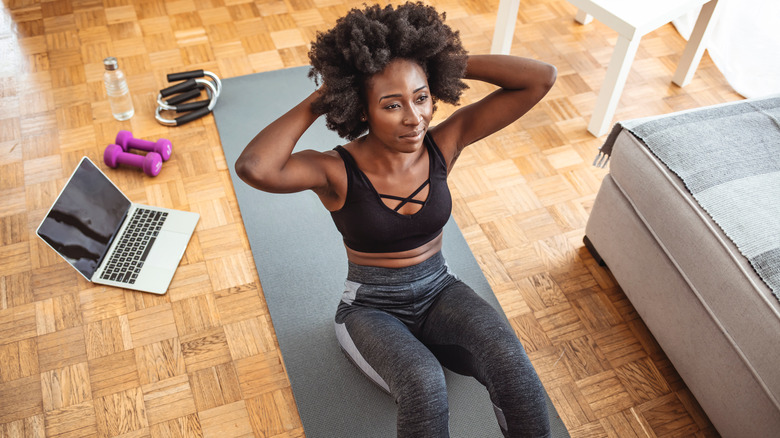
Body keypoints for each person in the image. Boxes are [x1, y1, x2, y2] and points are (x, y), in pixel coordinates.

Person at [235, 2, 557, 437]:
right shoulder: (335, 170)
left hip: (440, 292)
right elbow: (255, 166)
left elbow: (540, 79)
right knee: (426, 384)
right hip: (370, 309)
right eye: (392, 105)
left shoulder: (444, 144)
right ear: (361, 109)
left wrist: (443, 61)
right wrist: (321, 97)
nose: (414, 118)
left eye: (421, 97)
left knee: (509, 358)